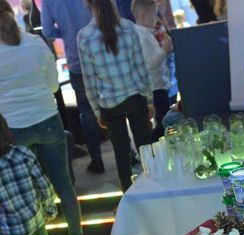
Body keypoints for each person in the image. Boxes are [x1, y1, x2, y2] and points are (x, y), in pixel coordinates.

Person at [0, 0, 86, 235]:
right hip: (47, 119)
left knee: (30, 188)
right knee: (64, 184)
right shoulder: (35, 42)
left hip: (14, 128)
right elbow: (53, 86)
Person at [78, 0, 153, 192]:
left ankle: (129, 197)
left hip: (109, 103)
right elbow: (141, 67)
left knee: (121, 155)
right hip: (136, 96)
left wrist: (97, 111)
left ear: (88, 4)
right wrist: (149, 99)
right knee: (146, 149)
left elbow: (89, 81)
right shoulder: (128, 27)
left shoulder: (84, 36)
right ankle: (155, 190)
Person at [41, 0, 105, 174]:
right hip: (100, 52)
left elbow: (47, 30)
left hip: (76, 58)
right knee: (111, 103)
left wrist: (66, 31)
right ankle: (127, 153)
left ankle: (96, 159)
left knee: (87, 111)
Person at [131, 0, 173, 142]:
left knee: (164, 120)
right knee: (163, 123)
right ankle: (151, 144)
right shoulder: (141, 37)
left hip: (159, 84)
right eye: (153, 15)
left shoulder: (146, 34)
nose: (155, 19)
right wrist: (164, 51)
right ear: (143, 15)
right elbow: (148, 64)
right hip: (155, 87)